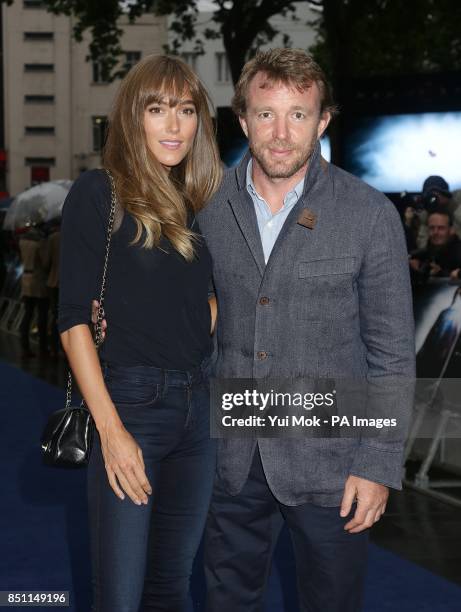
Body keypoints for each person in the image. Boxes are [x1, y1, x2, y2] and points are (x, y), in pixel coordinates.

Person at [197, 49, 415, 612]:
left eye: (298, 114)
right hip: (233, 458)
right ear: (242, 120)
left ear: (323, 121)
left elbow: (391, 353)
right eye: (265, 114)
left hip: (332, 463)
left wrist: (377, 463)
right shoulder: (208, 209)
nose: (280, 132)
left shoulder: (368, 214)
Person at [58, 55, 222, 611]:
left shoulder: (198, 202)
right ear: (134, 117)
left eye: (185, 110)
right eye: (157, 109)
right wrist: (112, 429)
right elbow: (73, 317)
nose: (174, 126)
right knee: (121, 597)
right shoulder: (98, 192)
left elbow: (203, 301)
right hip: (131, 406)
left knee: (170, 587)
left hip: (198, 413)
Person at [18, 221, 49, 358]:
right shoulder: (40, 241)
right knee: (42, 315)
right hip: (38, 280)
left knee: (27, 314)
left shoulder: (22, 239)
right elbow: (45, 262)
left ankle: (24, 346)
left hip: (25, 278)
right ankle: (43, 348)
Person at [409, 208, 461, 280]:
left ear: (451, 230)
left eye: (441, 228)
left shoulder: (458, 252)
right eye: (432, 228)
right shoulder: (427, 252)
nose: (435, 232)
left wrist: (442, 273)